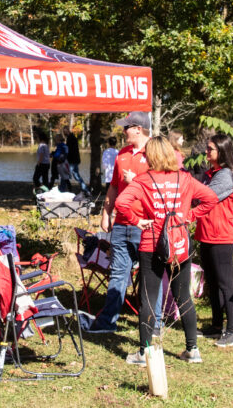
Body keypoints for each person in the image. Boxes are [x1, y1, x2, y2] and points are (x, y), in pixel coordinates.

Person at [114, 135, 219, 365]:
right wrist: (189, 216)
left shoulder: (144, 180)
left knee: (149, 299)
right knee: (184, 297)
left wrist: (135, 220)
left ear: (151, 156)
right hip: (179, 243)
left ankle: (144, 353)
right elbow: (211, 198)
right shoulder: (185, 178)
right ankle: (192, 350)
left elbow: (121, 203)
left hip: (152, 243)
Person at [90, 111, 152, 334]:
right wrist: (106, 213)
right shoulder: (122, 153)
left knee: (149, 275)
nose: (123, 131)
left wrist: (135, 181)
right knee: (118, 272)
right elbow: (114, 186)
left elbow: (161, 186)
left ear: (138, 128)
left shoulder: (155, 152)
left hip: (145, 224)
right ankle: (108, 322)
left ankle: (154, 324)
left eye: (126, 127)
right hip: (122, 224)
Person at [193, 133, 233, 347]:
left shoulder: (225, 175)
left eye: (210, 149)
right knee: (212, 282)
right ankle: (215, 326)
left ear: (221, 151)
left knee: (225, 283)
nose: (206, 152)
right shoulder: (211, 173)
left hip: (221, 236)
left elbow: (206, 196)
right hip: (206, 233)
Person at [63, 127, 88, 192]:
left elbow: (70, 150)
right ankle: (86, 189)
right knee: (76, 176)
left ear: (68, 131)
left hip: (72, 161)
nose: (64, 133)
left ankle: (62, 189)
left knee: (66, 175)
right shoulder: (72, 137)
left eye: (65, 131)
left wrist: (65, 157)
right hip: (75, 160)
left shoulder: (71, 138)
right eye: (64, 132)